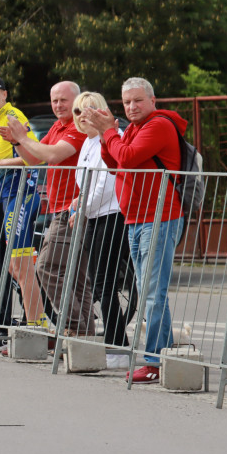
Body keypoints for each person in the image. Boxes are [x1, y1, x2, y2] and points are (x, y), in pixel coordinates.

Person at [86, 77, 186, 385]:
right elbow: (115, 163)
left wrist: (107, 132)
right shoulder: (132, 129)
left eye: (137, 100)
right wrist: (108, 138)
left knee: (151, 293)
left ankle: (155, 359)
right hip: (137, 218)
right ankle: (164, 356)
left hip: (158, 217)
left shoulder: (158, 126)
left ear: (152, 101)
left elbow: (127, 157)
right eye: (127, 101)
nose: (132, 106)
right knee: (149, 292)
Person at [2, 81, 92, 337]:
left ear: (76, 101)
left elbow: (53, 155)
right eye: (54, 100)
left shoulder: (77, 126)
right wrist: (18, 142)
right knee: (75, 278)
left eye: (63, 100)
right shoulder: (57, 126)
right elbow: (35, 158)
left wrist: (21, 137)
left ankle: (72, 327)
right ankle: (83, 335)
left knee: (46, 268)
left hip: (73, 209)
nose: (58, 105)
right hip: (61, 209)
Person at [0, 74, 48, 333]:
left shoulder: (12, 116)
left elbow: (34, 155)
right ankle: (38, 318)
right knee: (15, 265)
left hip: (22, 194)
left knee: (20, 264)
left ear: (4, 94)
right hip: (9, 195)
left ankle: (37, 326)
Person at [70, 91, 138, 369]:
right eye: (78, 112)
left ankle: (119, 347)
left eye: (90, 110)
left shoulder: (106, 139)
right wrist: (79, 204)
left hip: (111, 216)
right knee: (102, 283)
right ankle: (115, 342)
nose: (83, 117)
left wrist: (82, 211)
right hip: (96, 215)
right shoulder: (88, 142)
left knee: (105, 284)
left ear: (102, 112)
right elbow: (86, 183)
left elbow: (104, 184)